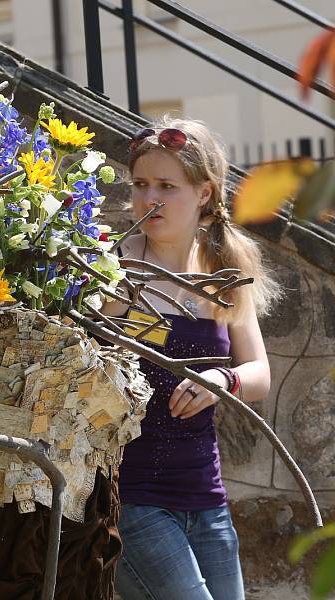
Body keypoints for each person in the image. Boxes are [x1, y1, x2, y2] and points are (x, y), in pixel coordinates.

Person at [102, 118, 279, 600]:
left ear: (204, 193)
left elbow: (259, 372)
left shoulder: (225, 267)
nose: (148, 199)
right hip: (131, 497)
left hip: (205, 496)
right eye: (140, 184)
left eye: (167, 186)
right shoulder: (112, 268)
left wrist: (223, 380)